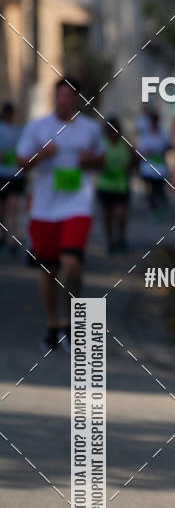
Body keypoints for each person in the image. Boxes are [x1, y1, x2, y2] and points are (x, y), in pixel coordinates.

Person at [16, 77, 105, 352]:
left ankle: (72, 323)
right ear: (54, 98)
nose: (64, 101)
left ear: (76, 99)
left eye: (69, 97)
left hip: (77, 206)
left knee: (72, 264)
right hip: (44, 208)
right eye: (60, 96)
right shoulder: (38, 127)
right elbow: (21, 162)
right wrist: (41, 155)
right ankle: (53, 325)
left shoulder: (89, 129)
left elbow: (102, 158)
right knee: (49, 270)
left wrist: (89, 160)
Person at [96, 117, 133, 253]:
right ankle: (110, 241)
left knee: (121, 214)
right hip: (105, 186)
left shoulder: (125, 144)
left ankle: (121, 238)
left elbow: (132, 162)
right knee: (107, 216)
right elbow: (96, 163)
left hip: (121, 186)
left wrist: (128, 168)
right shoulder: (102, 144)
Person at [0, 102, 25, 254]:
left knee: (10, 208)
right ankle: (10, 238)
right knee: (9, 209)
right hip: (9, 174)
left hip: (13, 174)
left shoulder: (19, 130)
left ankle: (11, 239)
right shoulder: (19, 130)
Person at [136, 111, 171, 215]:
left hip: (160, 167)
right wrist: (147, 152)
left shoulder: (162, 133)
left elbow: (168, 146)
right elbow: (139, 151)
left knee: (158, 188)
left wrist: (162, 151)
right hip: (148, 168)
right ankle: (153, 209)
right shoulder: (146, 135)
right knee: (151, 189)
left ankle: (161, 204)